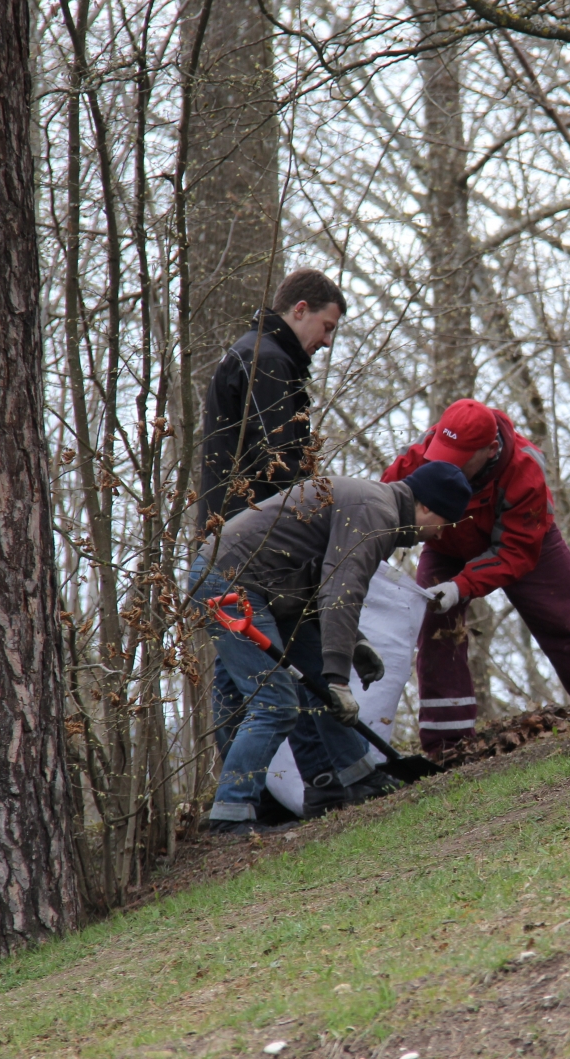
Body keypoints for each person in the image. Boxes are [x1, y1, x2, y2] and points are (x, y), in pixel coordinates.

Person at [190, 462, 472, 834]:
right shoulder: (378, 514)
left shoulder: (374, 503)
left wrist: (355, 644)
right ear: (428, 509)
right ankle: (231, 816)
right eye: (445, 524)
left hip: (270, 587)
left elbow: (320, 581)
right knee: (274, 702)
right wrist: (340, 679)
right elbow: (341, 592)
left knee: (305, 685)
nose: (438, 537)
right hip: (233, 582)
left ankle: (356, 777)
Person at [381, 398, 570, 752]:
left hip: (526, 541)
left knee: (567, 618)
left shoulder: (525, 467)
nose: (443, 465)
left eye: (457, 459)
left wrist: (462, 586)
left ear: (490, 450)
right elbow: (384, 502)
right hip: (446, 545)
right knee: (435, 627)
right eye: (442, 452)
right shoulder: (424, 451)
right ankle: (448, 746)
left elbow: (514, 551)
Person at [196, 268, 343, 773]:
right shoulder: (268, 360)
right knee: (273, 668)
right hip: (253, 545)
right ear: (299, 309)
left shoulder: (256, 353)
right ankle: (298, 784)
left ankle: (261, 792)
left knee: (237, 670)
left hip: (228, 537)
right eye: (326, 327)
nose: (327, 342)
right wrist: (309, 528)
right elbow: (281, 462)